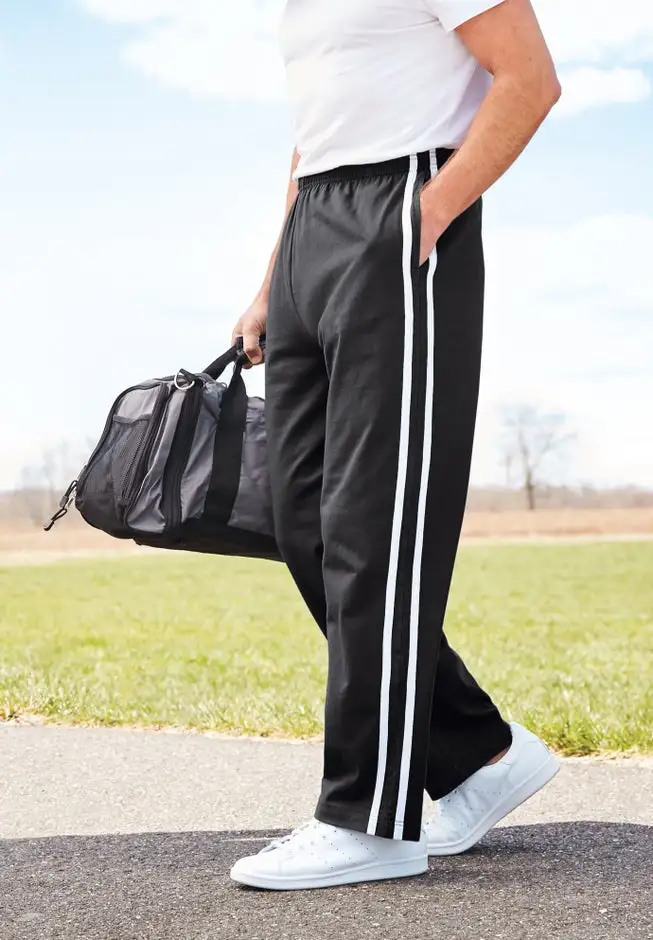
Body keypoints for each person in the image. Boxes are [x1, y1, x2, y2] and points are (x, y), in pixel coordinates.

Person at [229, 0, 561, 891]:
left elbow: (529, 81)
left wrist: (430, 211)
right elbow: (316, 138)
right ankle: (477, 752)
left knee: (375, 527)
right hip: (314, 230)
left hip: (401, 207)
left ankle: (371, 821)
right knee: (302, 521)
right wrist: (272, 282)